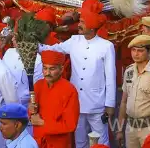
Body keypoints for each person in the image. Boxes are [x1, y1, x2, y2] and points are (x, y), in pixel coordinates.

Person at [40, 9, 116, 148]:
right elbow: (54, 49)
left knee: (101, 142)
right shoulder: (74, 40)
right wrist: (33, 47)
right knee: (80, 141)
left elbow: (111, 77)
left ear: (92, 26)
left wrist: (110, 105)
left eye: (82, 22)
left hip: (97, 103)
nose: (78, 25)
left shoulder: (106, 46)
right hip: (76, 102)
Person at [29, 50, 79, 148]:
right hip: (38, 140)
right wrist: (31, 111)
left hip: (58, 143)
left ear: (61, 69)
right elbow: (32, 112)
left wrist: (43, 123)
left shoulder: (69, 90)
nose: (47, 73)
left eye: (52, 69)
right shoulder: (38, 85)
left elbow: (70, 125)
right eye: (45, 68)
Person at [116, 35, 150, 148]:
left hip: (149, 128)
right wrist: (119, 129)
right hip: (130, 128)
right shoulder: (129, 71)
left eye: (140, 50)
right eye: (133, 50)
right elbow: (124, 101)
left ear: (149, 52)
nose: (136, 54)